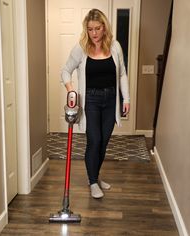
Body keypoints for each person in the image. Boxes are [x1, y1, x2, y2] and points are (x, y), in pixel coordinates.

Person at [61, 9, 130, 199]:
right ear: (86, 30)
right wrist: (71, 89)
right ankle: (92, 183)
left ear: (104, 27)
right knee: (95, 140)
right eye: (90, 29)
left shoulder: (115, 47)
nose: (94, 33)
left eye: (97, 28)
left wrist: (127, 99)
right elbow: (65, 71)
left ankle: (95, 176)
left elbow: (122, 74)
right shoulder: (81, 48)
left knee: (104, 142)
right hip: (90, 100)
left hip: (110, 101)